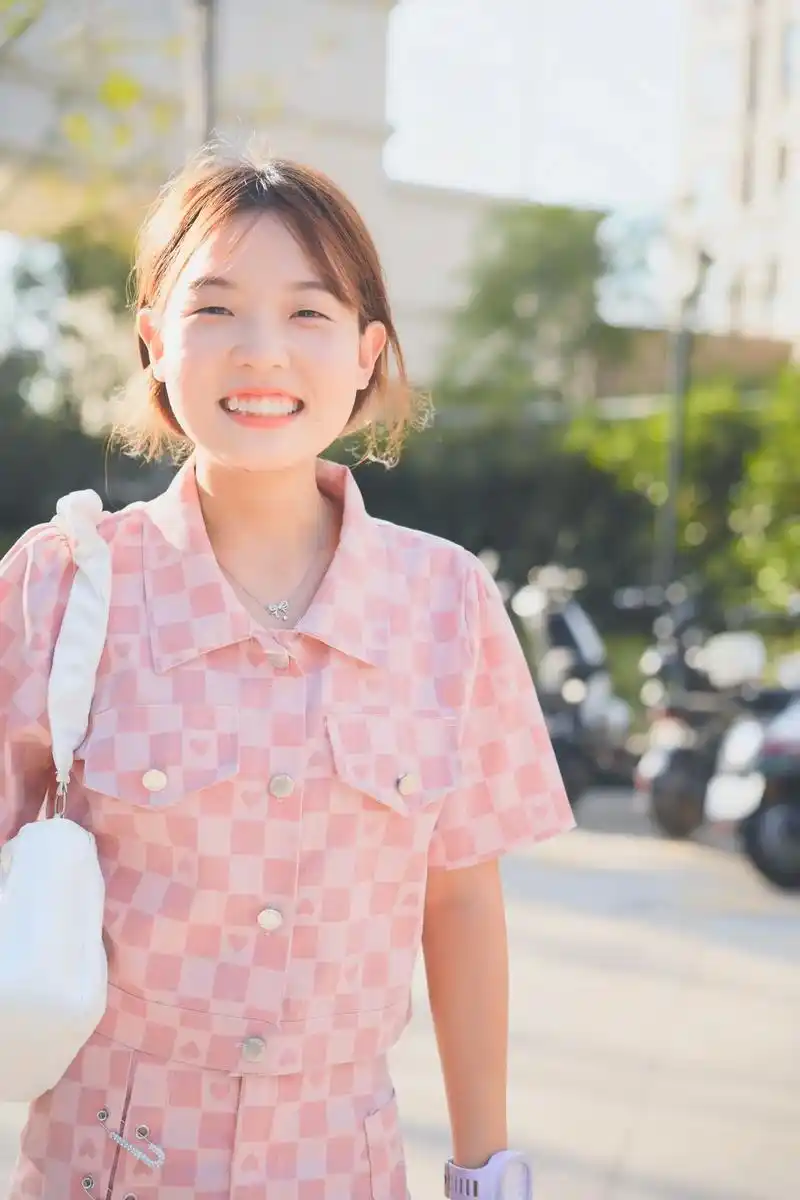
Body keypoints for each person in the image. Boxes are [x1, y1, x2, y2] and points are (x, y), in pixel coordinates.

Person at [0, 151, 575, 1200]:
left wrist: (487, 1175)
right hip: (101, 1162)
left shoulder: (445, 604)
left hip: (341, 1162)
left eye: (308, 313)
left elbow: (458, 903)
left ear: (365, 352)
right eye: (215, 308)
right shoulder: (61, 585)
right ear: (153, 341)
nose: (261, 352)